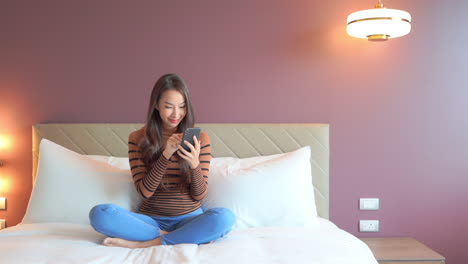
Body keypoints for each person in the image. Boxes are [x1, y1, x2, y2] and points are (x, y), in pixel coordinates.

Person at [89, 73, 235, 248]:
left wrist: (194, 164)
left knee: (225, 218)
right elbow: (145, 192)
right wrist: (165, 155)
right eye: (168, 106)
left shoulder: (200, 138)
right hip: (150, 222)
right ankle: (178, 237)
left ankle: (145, 244)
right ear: (156, 106)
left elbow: (199, 195)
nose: (176, 114)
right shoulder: (138, 138)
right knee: (100, 214)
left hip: (189, 220)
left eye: (182, 107)